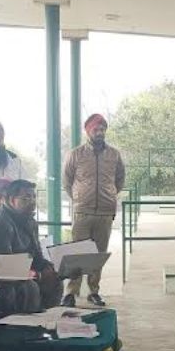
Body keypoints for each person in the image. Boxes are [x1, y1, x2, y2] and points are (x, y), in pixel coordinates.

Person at [62, 113, 125, 307]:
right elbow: (67, 180)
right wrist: (79, 198)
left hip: (105, 212)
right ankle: (71, 293)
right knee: (77, 252)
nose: (100, 132)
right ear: (88, 131)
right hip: (82, 211)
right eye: (96, 129)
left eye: (103, 129)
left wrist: (109, 195)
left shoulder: (114, 154)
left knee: (98, 254)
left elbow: (120, 179)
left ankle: (93, 291)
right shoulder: (76, 154)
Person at [0, 179, 62, 312]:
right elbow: (3, 268)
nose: (32, 202)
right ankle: (27, 323)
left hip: (22, 271)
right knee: (30, 287)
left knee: (55, 277)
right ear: (12, 200)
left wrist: (49, 268)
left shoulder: (30, 221)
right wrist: (38, 275)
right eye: (26, 198)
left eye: (34, 197)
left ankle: (48, 318)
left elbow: (37, 256)